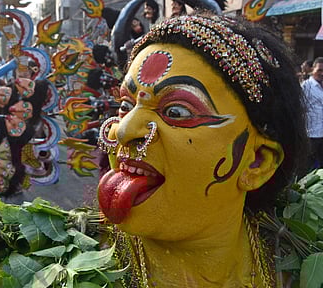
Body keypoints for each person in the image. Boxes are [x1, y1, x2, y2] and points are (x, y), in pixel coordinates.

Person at [97, 14, 308, 287]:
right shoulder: (54, 266)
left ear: (257, 162)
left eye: (176, 111)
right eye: (126, 105)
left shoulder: (300, 267)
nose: (124, 130)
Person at [302, 57, 323, 169]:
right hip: (311, 135)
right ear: (312, 69)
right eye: (319, 70)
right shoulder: (307, 86)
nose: (322, 73)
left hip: (322, 134)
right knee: (306, 168)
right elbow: (300, 108)